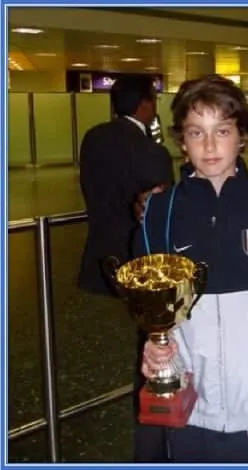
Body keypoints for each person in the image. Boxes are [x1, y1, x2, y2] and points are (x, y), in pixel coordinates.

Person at [135, 74, 248, 463]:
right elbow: (154, 309)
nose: (210, 146)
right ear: (182, 140)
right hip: (193, 404)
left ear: (242, 136)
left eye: (223, 131)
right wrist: (155, 346)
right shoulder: (160, 212)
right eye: (197, 133)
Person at [78, 75, 173, 462]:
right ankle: (154, 402)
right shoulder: (152, 151)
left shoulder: (93, 138)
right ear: (145, 106)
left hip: (102, 254)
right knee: (153, 336)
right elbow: (162, 214)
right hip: (141, 262)